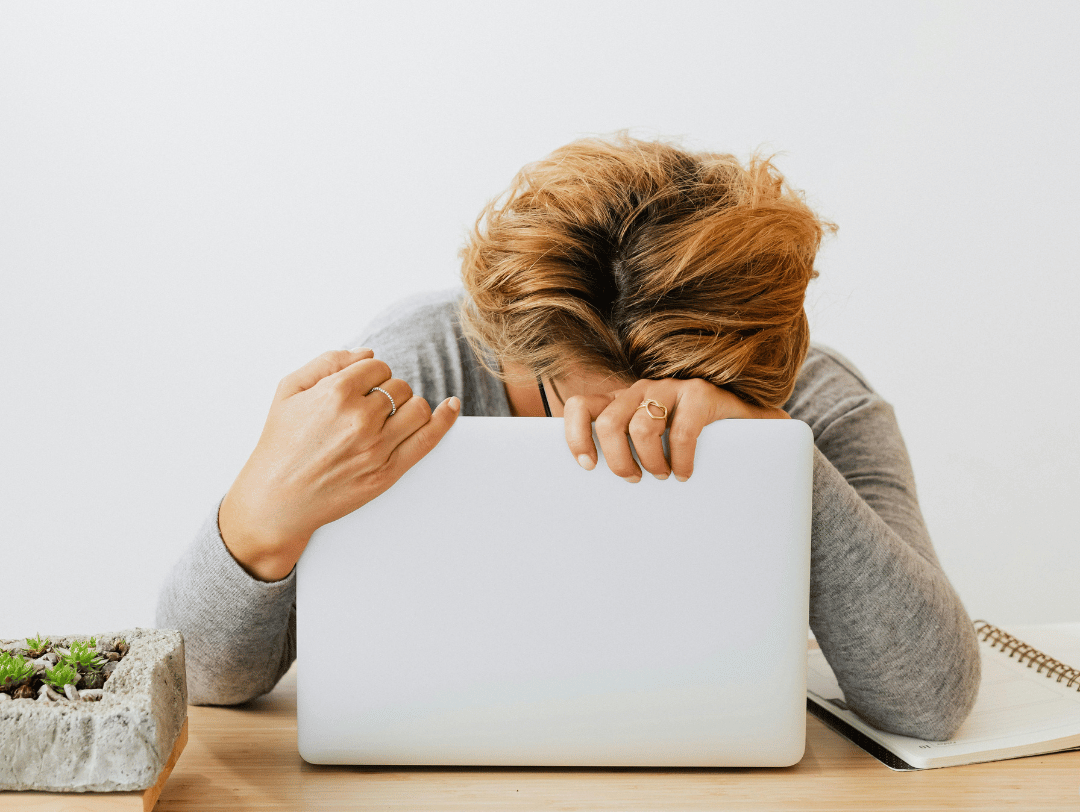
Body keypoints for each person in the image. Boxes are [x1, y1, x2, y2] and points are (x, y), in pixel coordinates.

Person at [157, 134, 980, 740]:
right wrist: (260, 513)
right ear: (525, 352)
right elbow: (210, 682)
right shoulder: (416, 374)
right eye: (597, 405)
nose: (636, 437)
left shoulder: (822, 402)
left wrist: (778, 453)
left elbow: (930, 700)